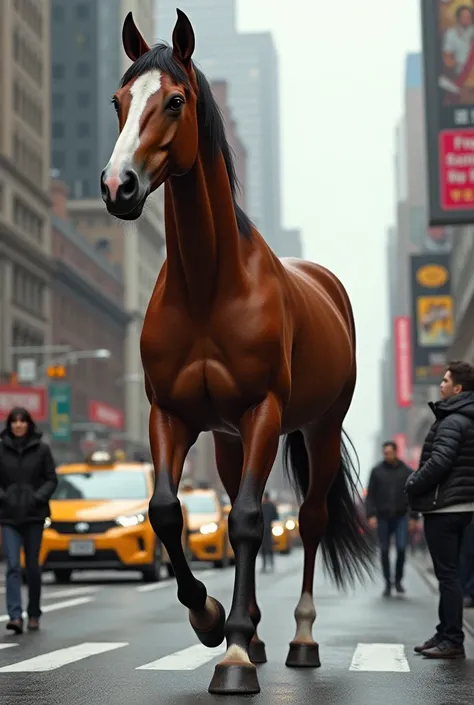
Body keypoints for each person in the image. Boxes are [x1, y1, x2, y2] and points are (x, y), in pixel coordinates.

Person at [406, 361, 474, 659]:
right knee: (452, 575)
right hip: (460, 507)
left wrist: (413, 482)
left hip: (445, 508)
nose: (442, 384)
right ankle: (445, 631)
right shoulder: (465, 418)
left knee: (447, 576)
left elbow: (440, 461)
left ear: (458, 388)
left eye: (446, 380)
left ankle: (453, 639)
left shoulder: (453, 420)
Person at [0, 407, 58, 634]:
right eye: (14, 421)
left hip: (34, 515)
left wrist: (37, 497)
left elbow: (51, 479)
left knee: (32, 567)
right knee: (13, 566)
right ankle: (15, 616)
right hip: (8, 517)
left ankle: (33, 613)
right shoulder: (1, 449)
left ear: (29, 424)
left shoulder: (42, 449)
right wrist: (4, 497)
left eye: (22, 421)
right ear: (10, 425)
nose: (18, 425)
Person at [366, 441, 418, 597]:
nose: (386, 455)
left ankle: (398, 580)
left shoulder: (407, 471)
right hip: (383, 517)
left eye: (389, 452)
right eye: (385, 453)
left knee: (402, 548)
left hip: (401, 516)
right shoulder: (376, 471)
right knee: (384, 550)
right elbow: (370, 497)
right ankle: (387, 583)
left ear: (396, 452)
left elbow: (413, 495)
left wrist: (414, 516)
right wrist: (371, 515)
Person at [260, 492, 278, 572]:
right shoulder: (269, 506)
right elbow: (275, 516)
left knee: (267, 547)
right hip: (265, 529)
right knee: (266, 547)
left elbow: (275, 516)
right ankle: (267, 564)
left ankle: (269, 564)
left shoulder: (264, 506)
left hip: (265, 529)